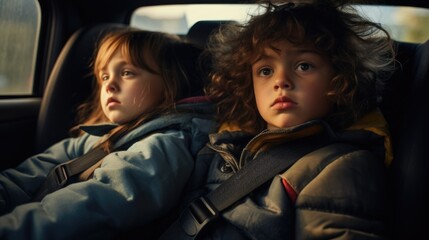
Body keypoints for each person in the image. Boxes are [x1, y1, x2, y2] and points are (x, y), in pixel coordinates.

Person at [167, 0, 395, 239]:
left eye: (304, 66)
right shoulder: (218, 148)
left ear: (339, 81)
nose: (281, 80)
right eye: (265, 70)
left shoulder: (343, 165)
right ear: (249, 85)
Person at [0, 29, 216, 239]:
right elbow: (26, 176)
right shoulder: (98, 137)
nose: (109, 85)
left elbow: (93, 205)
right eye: (104, 76)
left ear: (171, 83)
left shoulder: (165, 145)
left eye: (127, 73)